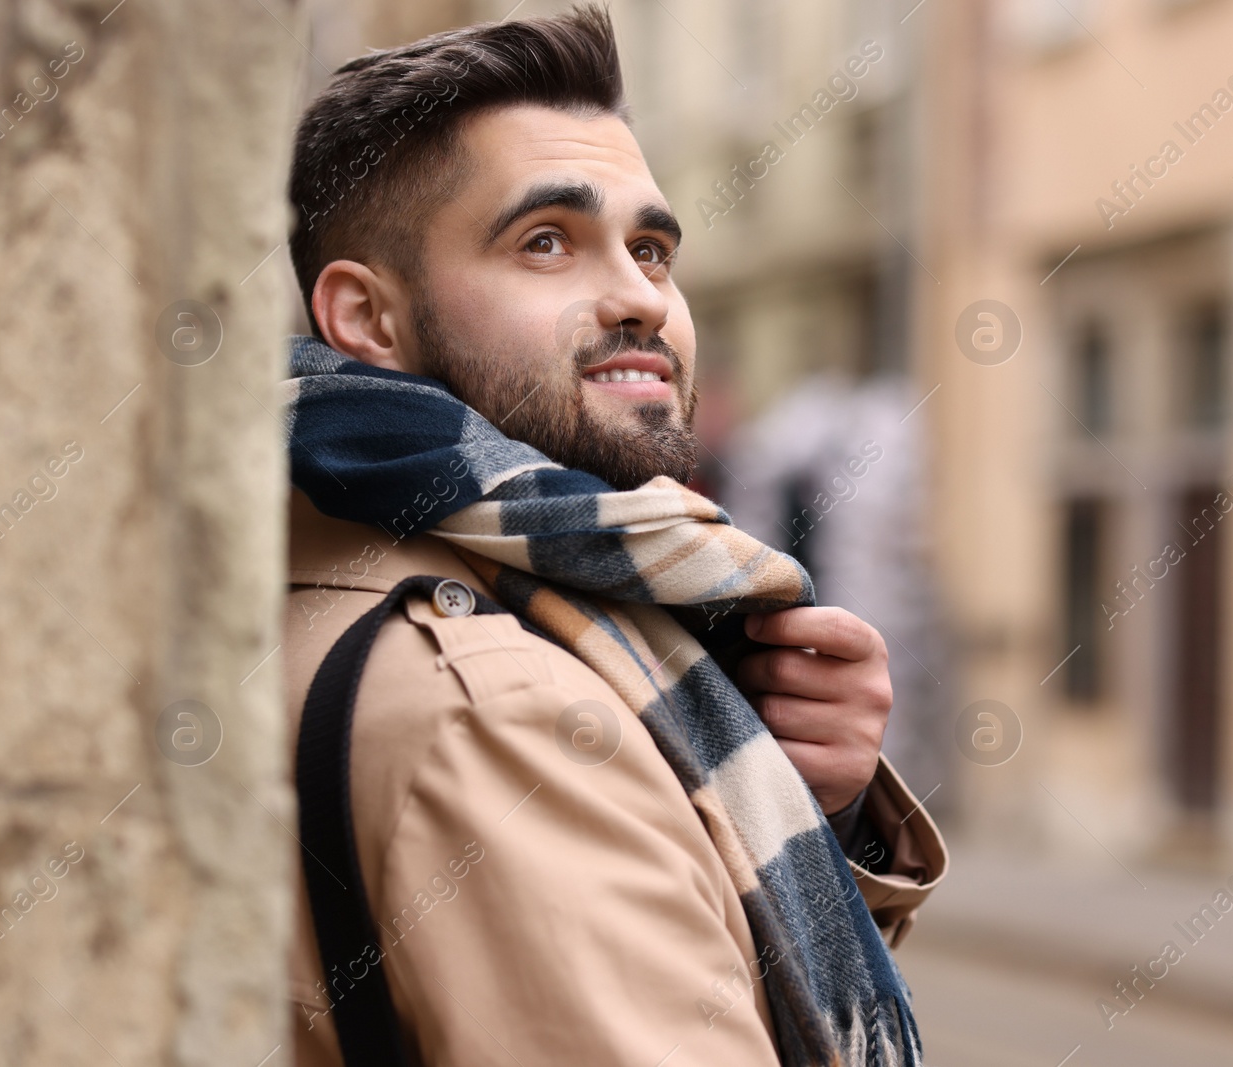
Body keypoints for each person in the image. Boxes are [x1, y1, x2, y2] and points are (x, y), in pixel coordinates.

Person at [279, 7, 948, 1065]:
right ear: (366, 318)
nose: (641, 296)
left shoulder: (363, 560)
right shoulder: (506, 707)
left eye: (651, 248)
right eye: (545, 241)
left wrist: (807, 805)